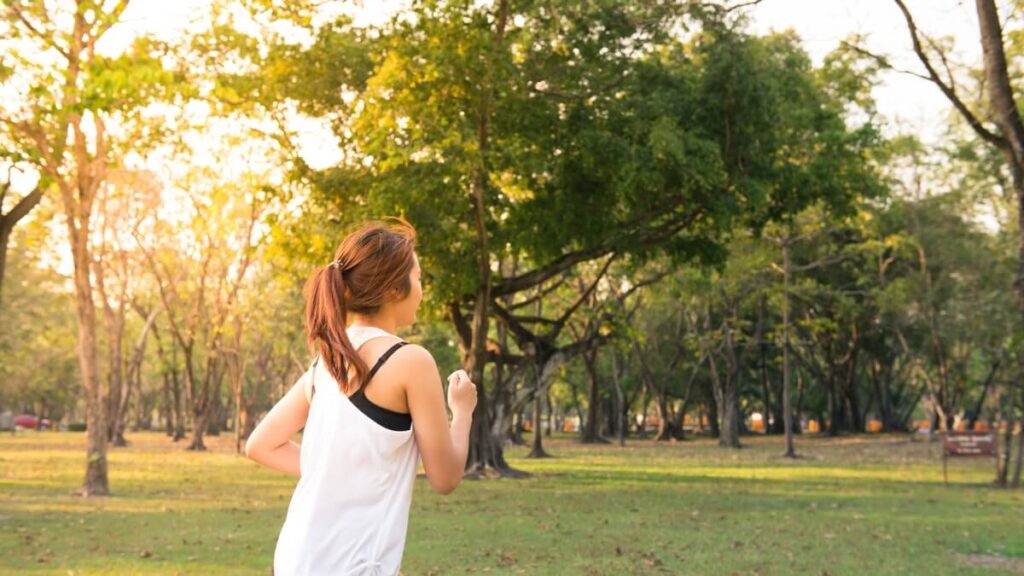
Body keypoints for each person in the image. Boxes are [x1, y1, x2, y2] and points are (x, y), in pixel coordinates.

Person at [244, 218, 478, 576]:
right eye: (418, 279)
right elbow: (445, 477)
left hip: (294, 559)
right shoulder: (410, 361)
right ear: (394, 289)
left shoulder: (327, 362)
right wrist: (461, 412)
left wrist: (336, 471)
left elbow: (261, 444)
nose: (421, 290)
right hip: (352, 565)